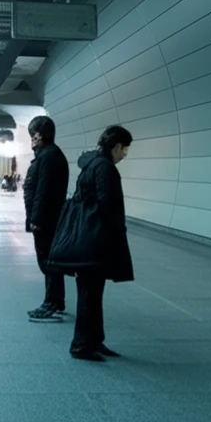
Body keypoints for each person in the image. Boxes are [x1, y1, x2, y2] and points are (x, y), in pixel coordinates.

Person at [48, 125, 134, 361]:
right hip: (95, 241)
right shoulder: (105, 168)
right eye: (124, 149)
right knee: (90, 295)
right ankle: (82, 345)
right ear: (116, 146)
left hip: (87, 239)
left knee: (92, 294)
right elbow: (107, 205)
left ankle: (95, 341)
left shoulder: (91, 165)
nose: (125, 154)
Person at [23, 115, 69, 322]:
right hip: (46, 219)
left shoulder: (49, 156)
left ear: (42, 135)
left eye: (34, 134)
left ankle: (51, 302)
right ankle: (56, 301)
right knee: (49, 261)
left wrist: (37, 219)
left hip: (46, 221)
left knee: (49, 261)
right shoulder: (47, 155)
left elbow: (43, 191)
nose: (32, 138)